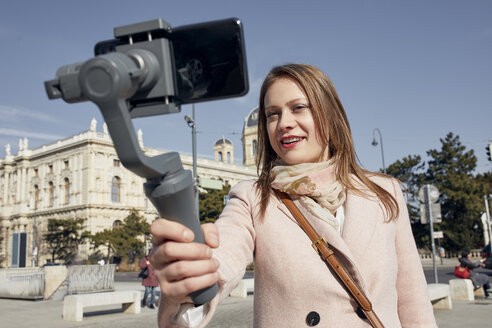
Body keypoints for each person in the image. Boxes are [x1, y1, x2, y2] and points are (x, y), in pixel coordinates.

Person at [150, 64, 437, 327]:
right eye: (272, 114)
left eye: (298, 107)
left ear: (330, 115)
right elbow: (224, 254)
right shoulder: (252, 197)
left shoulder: (383, 192)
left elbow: (412, 300)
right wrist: (193, 274)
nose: (284, 122)